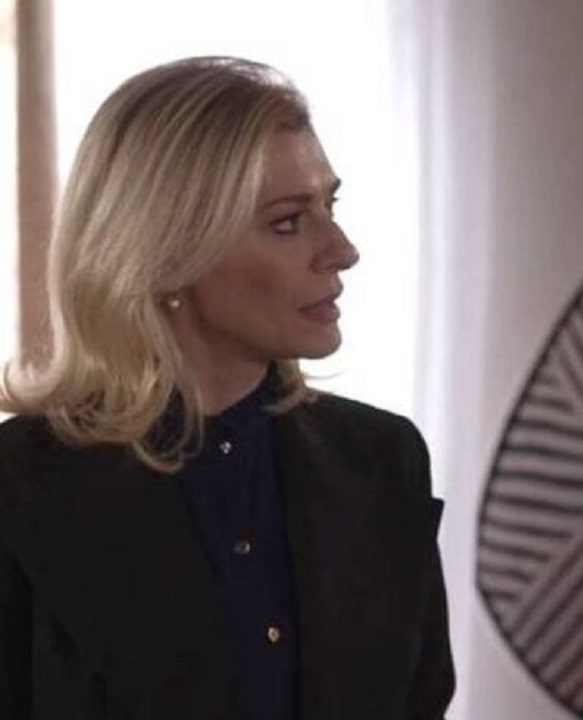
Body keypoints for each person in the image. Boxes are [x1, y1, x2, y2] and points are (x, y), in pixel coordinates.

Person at [0, 57, 453, 719]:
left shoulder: (382, 458)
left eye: (330, 206)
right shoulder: (21, 484)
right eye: (288, 222)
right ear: (168, 251)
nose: (342, 249)